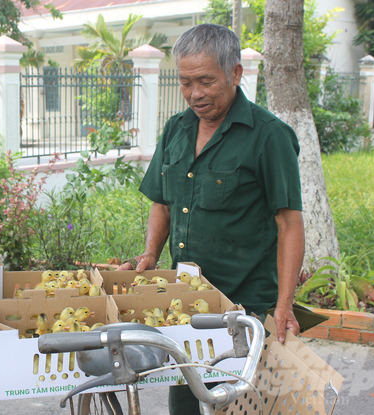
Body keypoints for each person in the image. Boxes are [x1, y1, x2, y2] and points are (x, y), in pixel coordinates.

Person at [118, 24, 304, 413]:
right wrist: (150, 253)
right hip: (185, 307)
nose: (195, 94)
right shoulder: (177, 129)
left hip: (245, 309)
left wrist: (285, 305)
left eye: (205, 81)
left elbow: (289, 223)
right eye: (185, 82)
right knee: (186, 402)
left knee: (241, 404)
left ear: (235, 73)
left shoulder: (269, 136)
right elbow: (163, 203)